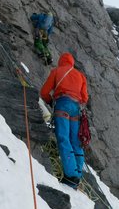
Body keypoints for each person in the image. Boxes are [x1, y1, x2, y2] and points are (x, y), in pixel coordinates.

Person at [40, 52, 89, 189]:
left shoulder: (57, 71)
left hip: (62, 104)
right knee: (75, 141)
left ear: (61, 61)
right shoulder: (80, 76)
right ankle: (77, 174)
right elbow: (84, 98)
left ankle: (71, 176)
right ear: (72, 62)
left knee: (63, 138)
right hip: (76, 109)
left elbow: (44, 92)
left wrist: (50, 101)